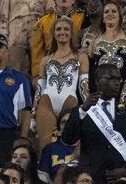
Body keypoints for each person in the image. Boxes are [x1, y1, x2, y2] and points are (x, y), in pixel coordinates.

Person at [62, 64, 126, 184]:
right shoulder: (83, 111)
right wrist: (83, 110)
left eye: (119, 79)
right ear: (96, 80)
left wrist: (125, 169)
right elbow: (68, 139)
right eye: (111, 78)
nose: (117, 83)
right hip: (92, 182)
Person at [33, 17, 89, 150]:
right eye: (58, 29)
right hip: (47, 102)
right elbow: (40, 89)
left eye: (66, 29)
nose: (62, 32)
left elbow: (84, 86)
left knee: (71, 148)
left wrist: (88, 109)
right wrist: (33, 114)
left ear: (71, 33)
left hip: (69, 102)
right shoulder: (46, 59)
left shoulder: (80, 57)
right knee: (46, 148)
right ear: (53, 33)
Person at [0, 0, 54, 73]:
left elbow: (51, 13)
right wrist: (3, 37)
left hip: (38, 29)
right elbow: (3, 16)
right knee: (14, 67)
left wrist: (49, 35)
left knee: (39, 68)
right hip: (15, 31)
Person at [0, 33, 31, 162]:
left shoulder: (19, 79)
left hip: (6, 135)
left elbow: (26, 110)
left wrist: (23, 139)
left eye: (0, 47)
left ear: (7, 52)